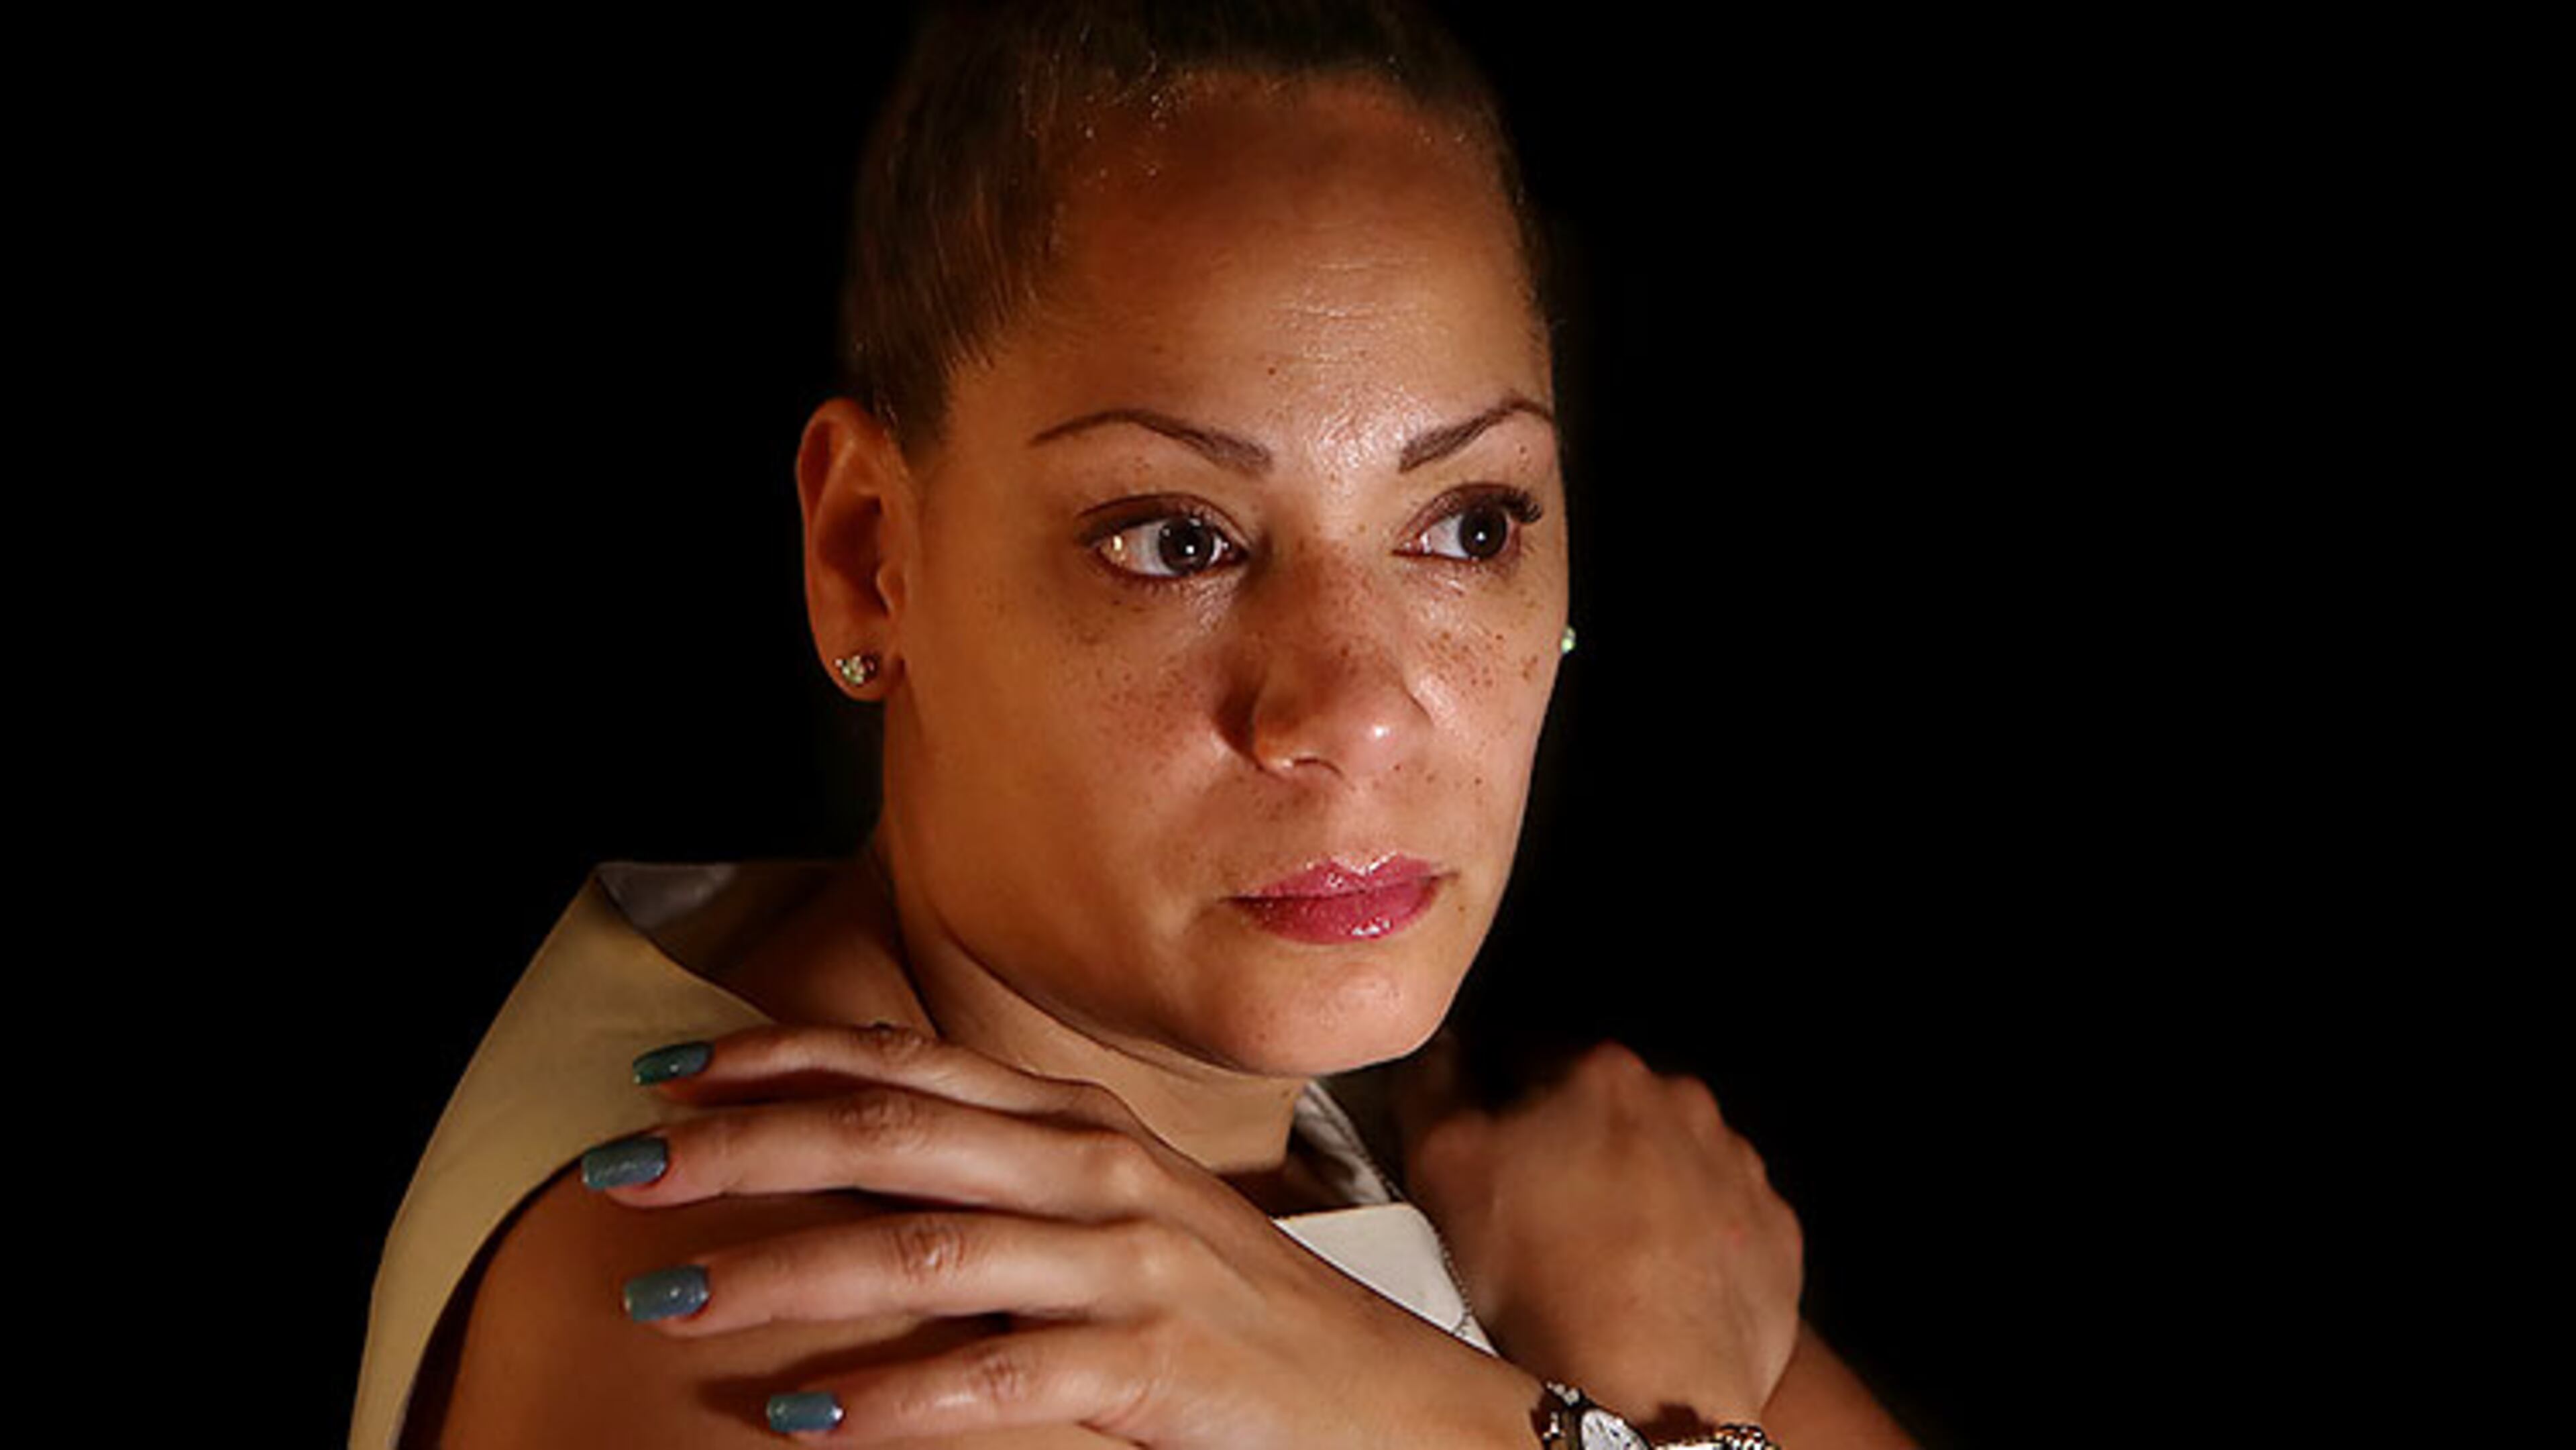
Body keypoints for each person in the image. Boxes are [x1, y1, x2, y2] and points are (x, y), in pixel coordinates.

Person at [356, 2, 1917, 1445]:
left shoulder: (1385, 1122)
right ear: (868, 561)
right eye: (1178, 539)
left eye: (1469, 523)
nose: (1356, 717)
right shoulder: (784, 1310)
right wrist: (1619, 1409)